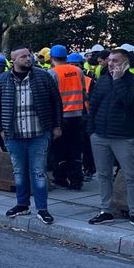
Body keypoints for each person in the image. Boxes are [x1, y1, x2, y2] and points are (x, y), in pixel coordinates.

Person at [0, 48, 62, 225]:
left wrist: (57, 125)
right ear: (13, 60)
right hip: (13, 135)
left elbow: (56, 101)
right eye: (23, 56)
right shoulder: (2, 80)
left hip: (39, 134)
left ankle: (42, 208)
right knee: (19, 172)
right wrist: (0, 128)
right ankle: (22, 204)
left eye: (29, 56)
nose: (28, 59)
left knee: (38, 172)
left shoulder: (43, 77)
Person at [88, 47, 134, 229]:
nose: (110, 63)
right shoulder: (102, 81)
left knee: (131, 176)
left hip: (124, 137)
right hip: (100, 136)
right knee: (104, 175)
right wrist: (91, 131)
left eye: (115, 61)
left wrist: (118, 80)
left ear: (125, 63)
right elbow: (93, 105)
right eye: (110, 60)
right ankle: (106, 210)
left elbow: (130, 101)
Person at [48, 45, 86, 190]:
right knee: (76, 148)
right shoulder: (78, 71)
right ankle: (77, 180)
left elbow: (51, 97)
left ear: (51, 58)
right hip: (78, 116)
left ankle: (61, 178)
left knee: (60, 149)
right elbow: (83, 90)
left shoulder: (52, 73)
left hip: (61, 117)